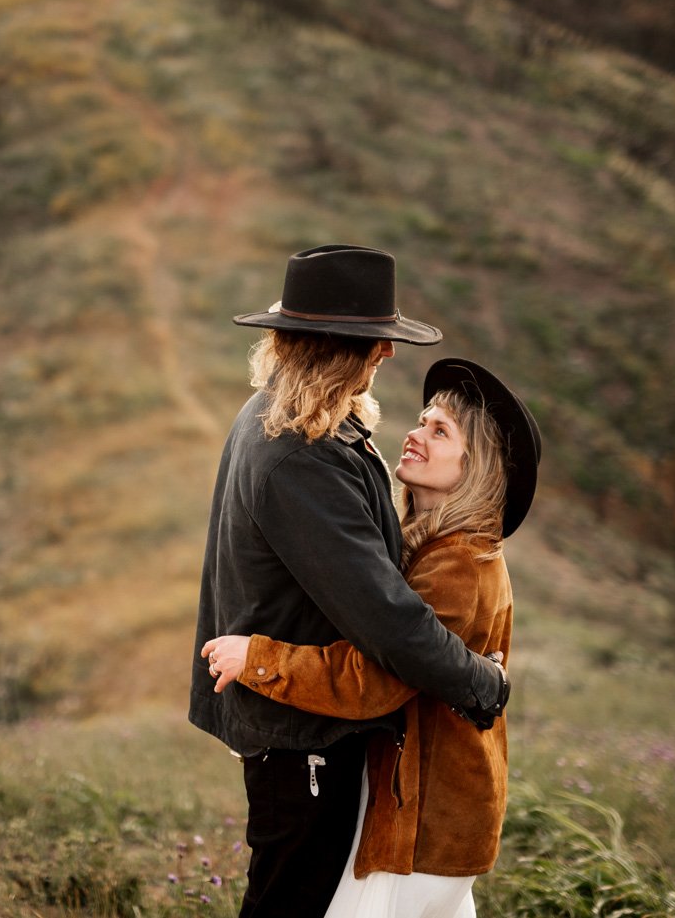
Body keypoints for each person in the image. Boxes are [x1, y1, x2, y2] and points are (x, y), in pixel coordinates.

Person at [188, 245, 509, 918]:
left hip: (307, 729)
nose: (386, 356)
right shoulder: (300, 456)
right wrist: (485, 684)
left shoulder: (293, 423)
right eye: (375, 342)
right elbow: (390, 620)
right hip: (304, 737)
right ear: (339, 350)